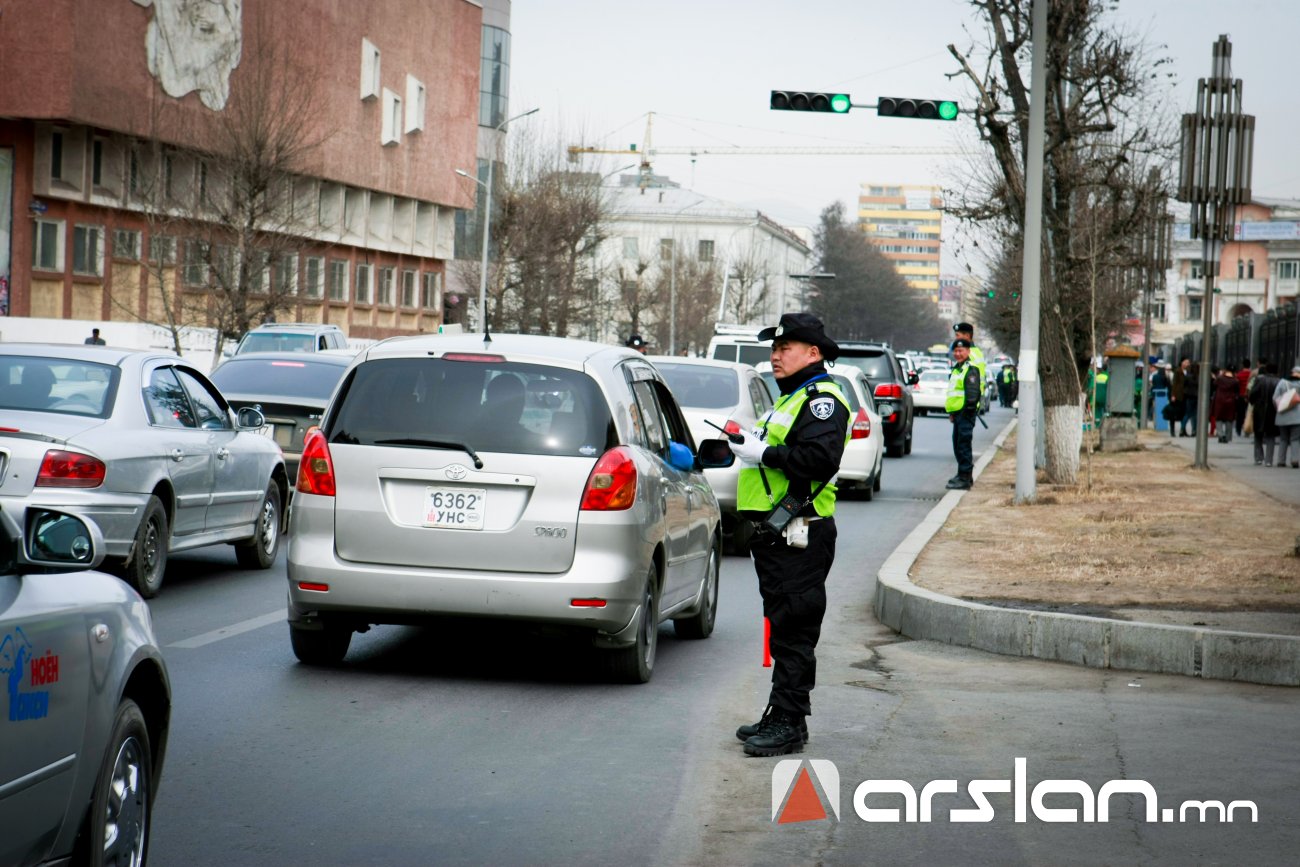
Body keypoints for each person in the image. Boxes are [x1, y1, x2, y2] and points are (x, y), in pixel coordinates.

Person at [728, 312, 850, 758]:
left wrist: (765, 452)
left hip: (802, 530)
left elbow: (819, 459)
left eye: (786, 348)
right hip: (782, 533)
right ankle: (784, 715)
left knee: (795, 628)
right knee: (784, 627)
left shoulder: (821, 399)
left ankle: (787, 721)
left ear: (813, 353)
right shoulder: (792, 396)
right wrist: (751, 447)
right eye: (773, 349)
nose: (776, 356)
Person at [946, 338, 983, 490]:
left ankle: (965, 477)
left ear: (968, 351)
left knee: (963, 445)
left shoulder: (971, 369)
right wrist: (953, 413)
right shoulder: (957, 369)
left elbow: (973, 394)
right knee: (957, 444)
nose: (958, 353)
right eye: (956, 351)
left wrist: (967, 412)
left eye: (961, 351)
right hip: (958, 414)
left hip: (966, 414)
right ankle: (962, 474)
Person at [1248, 361, 1280, 466]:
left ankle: (1258, 458)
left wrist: (1253, 403)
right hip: (1274, 412)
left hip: (1259, 410)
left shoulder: (1260, 380)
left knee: (1258, 435)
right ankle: (1269, 460)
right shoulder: (1279, 382)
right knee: (1271, 436)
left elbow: (1252, 394)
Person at [1273, 367, 1300, 468]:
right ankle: (1295, 460)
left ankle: (1281, 460)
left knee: (1283, 439)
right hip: (1298, 417)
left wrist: (1279, 408)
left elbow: (1275, 397)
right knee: (1295, 439)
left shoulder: (1282, 382)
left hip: (1283, 415)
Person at [1213, 366, 1239, 443]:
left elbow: (1214, 385)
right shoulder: (1235, 381)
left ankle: (1221, 435)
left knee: (1218, 418)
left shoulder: (1220, 379)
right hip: (1231, 401)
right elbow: (1237, 391)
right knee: (1229, 419)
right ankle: (1228, 437)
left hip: (1219, 400)